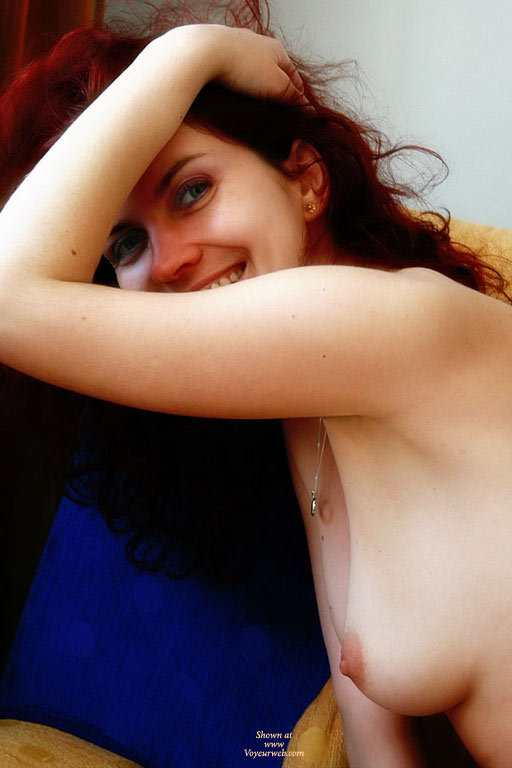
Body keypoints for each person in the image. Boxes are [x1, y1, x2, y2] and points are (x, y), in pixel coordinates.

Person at [0, 1, 510, 765]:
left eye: (192, 190)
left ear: (307, 181)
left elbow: (7, 299)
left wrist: (190, 51)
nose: (169, 261)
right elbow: (375, 734)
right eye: (127, 242)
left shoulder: (392, 323)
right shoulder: (310, 412)